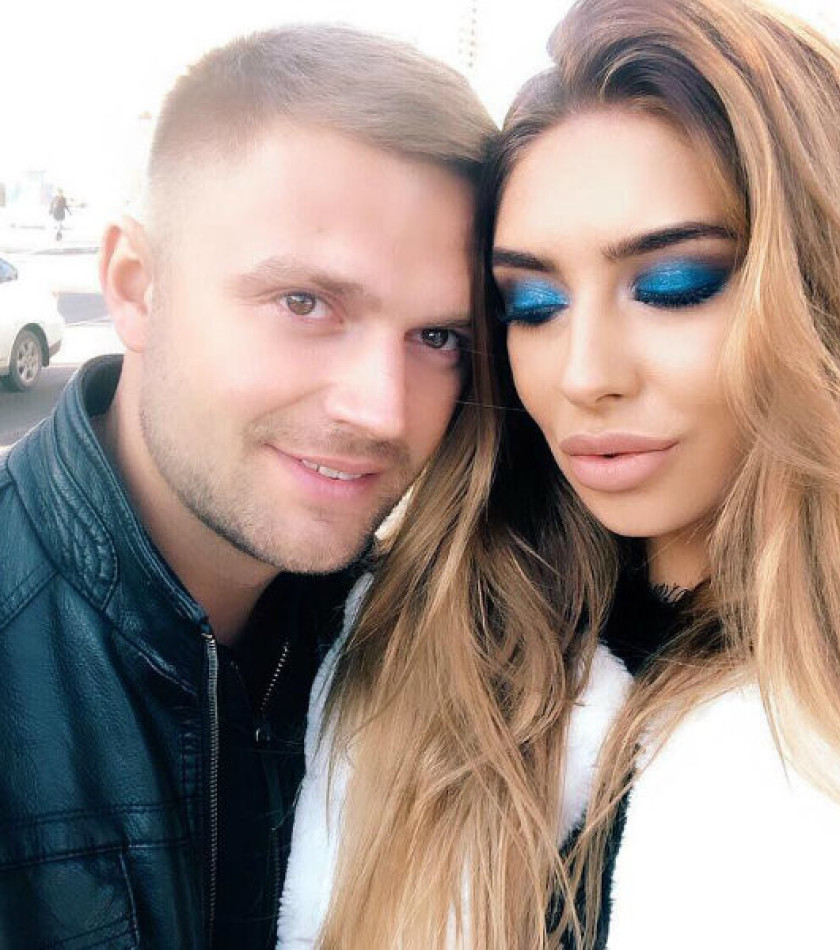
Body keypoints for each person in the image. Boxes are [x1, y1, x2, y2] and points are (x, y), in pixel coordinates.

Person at [278, 0, 840, 947]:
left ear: (835, 293)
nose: (584, 375)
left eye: (674, 286)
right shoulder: (401, 638)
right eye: (533, 303)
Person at [0, 24, 493, 948]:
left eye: (439, 337)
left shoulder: (419, 643)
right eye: (305, 303)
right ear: (136, 287)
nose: (383, 410)